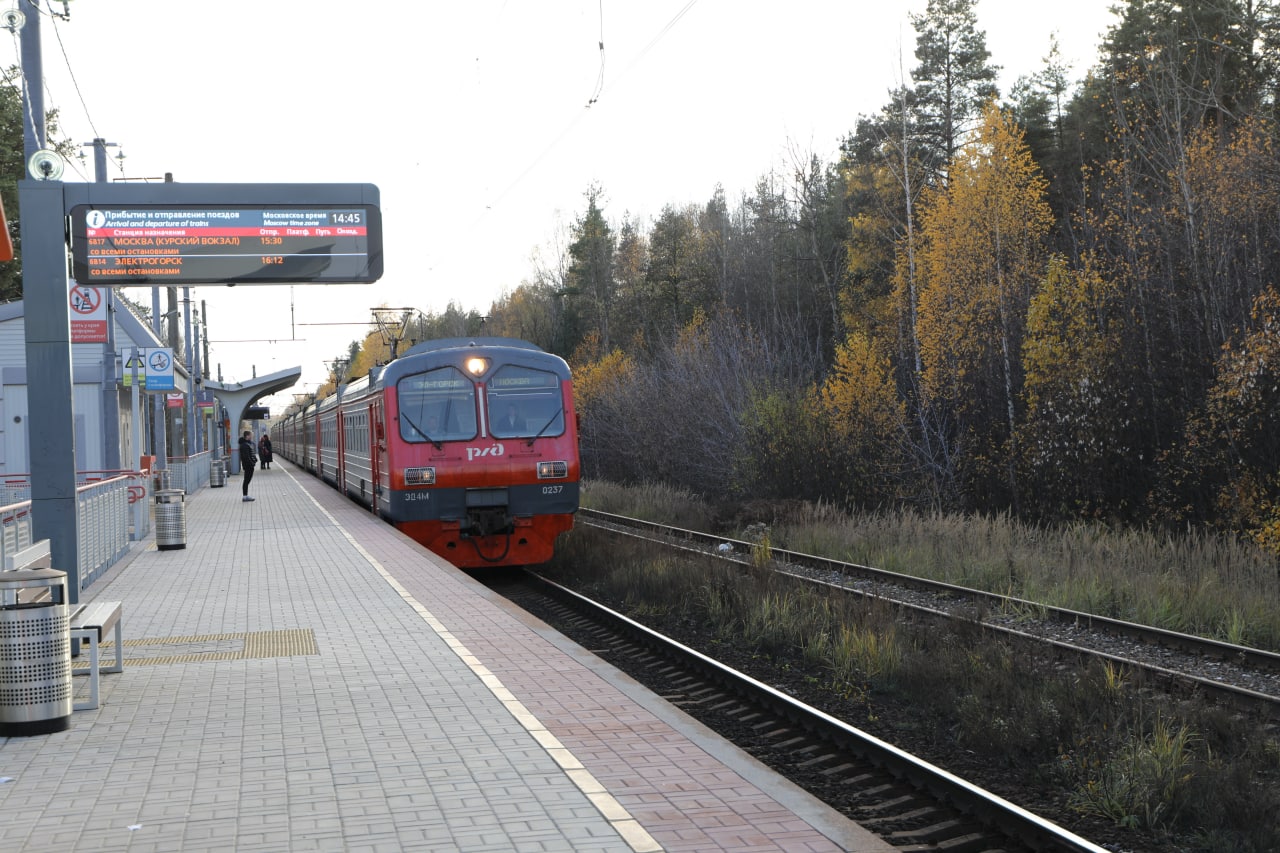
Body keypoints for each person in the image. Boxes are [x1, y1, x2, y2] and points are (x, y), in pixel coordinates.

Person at [239, 430, 257, 502]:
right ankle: (245, 496)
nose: (252, 436)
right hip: (248, 466)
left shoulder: (246, 444)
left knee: (247, 480)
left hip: (248, 465)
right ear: (247, 436)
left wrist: (254, 459)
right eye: (251, 435)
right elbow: (246, 457)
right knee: (246, 480)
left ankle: (245, 496)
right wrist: (252, 463)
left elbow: (250, 454)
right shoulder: (244, 445)